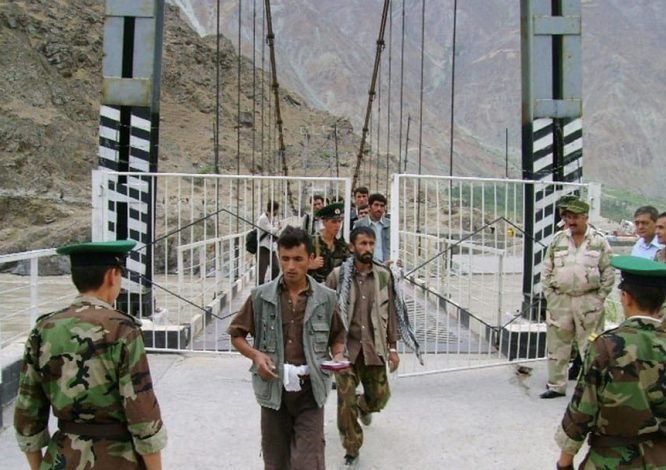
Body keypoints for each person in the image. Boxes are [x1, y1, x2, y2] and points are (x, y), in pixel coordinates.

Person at [14, 240, 167, 470]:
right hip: (118, 459)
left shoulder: (43, 328)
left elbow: (27, 410)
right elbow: (142, 413)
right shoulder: (122, 329)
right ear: (112, 276)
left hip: (62, 457)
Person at [227, 227, 348, 470]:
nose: (291, 266)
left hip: (310, 391)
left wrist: (338, 355)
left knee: (308, 462)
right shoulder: (261, 297)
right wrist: (256, 355)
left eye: (298, 259)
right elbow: (236, 334)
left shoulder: (326, 298)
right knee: (276, 461)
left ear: (310, 259)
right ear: (278, 257)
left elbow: (338, 335)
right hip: (274, 391)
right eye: (285, 258)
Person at [554, 255, 666, 470]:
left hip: (610, 461)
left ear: (626, 298)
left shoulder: (606, 346)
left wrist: (564, 463)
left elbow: (582, 410)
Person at [325, 226, 400, 468]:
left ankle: (363, 405)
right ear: (352, 247)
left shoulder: (383, 276)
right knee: (345, 401)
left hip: (373, 347)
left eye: (371, 244)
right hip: (345, 350)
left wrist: (393, 348)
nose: (368, 248)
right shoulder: (337, 276)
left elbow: (391, 313)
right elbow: (325, 312)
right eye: (363, 244)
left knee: (379, 398)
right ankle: (352, 449)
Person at [540, 198, 614, 399]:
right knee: (557, 345)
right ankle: (556, 386)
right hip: (560, 301)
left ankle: (592, 390)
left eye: (575, 217)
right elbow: (546, 270)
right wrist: (550, 296)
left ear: (585, 217)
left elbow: (608, 271)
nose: (571, 221)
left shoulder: (598, 241)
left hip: (588, 302)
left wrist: (599, 298)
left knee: (591, 347)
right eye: (568, 217)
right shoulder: (558, 240)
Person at [308, 202, 349, 283]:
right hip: (316, 286)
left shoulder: (342, 245)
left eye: (339, 221)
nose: (337, 225)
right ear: (324, 222)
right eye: (333, 222)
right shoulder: (311, 242)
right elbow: (296, 265)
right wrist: (309, 266)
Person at [353, 193, 391, 263]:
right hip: (366, 264)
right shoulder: (359, 225)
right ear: (369, 207)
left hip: (387, 264)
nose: (379, 208)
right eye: (376, 205)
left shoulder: (390, 225)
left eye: (382, 206)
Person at [257, 200, 281, 285]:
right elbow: (270, 230)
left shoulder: (270, 218)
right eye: (277, 210)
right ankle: (260, 289)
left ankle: (270, 285)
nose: (277, 212)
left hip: (271, 247)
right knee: (261, 272)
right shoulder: (263, 218)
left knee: (276, 268)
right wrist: (278, 228)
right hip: (263, 247)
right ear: (274, 210)